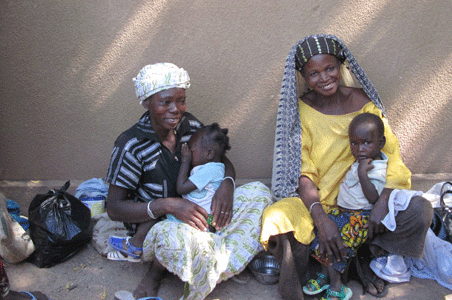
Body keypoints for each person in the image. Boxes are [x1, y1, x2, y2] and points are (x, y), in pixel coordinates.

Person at [260, 35, 433, 299]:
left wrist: (383, 201)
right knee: (277, 216)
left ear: (340, 66)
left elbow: (392, 155)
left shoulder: (364, 102)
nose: (324, 78)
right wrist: (321, 219)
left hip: (367, 203)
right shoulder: (301, 112)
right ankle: (342, 264)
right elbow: (304, 174)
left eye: (330, 68)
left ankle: (362, 258)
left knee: (419, 210)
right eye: (314, 73)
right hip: (319, 203)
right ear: (303, 77)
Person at [106, 63, 272, 300]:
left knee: (259, 193)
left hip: (200, 215)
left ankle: (214, 259)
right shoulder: (131, 145)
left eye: (181, 100)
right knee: (170, 238)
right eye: (165, 102)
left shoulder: (190, 126)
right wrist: (168, 205)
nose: (176, 109)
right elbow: (114, 208)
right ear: (147, 103)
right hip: (161, 224)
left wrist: (227, 184)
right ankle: (156, 273)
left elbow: (220, 158)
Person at [108, 123, 231, 260]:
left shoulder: (208, 169)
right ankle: (136, 246)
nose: (188, 153)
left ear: (209, 154)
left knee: (156, 216)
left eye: (191, 150)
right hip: (201, 218)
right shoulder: (214, 167)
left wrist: (185, 161)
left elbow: (181, 188)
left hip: (198, 219)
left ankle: (135, 246)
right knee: (158, 210)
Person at [303, 113, 388, 300]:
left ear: (381, 143)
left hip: (360, 217)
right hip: (343, 212)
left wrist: (363, 174)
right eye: (354, 144)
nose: (360, 149)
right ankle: (325, 276)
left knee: (339, 246)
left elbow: (374, 198)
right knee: (321, 237)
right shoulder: (361, 162)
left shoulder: (377, 167)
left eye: (367, 143)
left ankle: (337, 287)